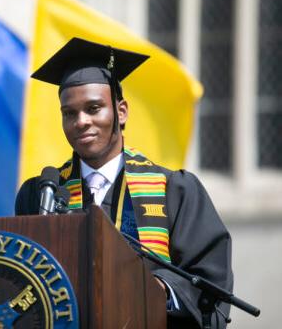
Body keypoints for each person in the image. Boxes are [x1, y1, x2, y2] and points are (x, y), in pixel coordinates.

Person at [15, 37, 233, 328]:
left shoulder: (175, 191)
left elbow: (209, 280)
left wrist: (157, 290)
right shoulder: (41, 194)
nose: (81, 121)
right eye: (70, 113)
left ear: (121, 112)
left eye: (93, 109)